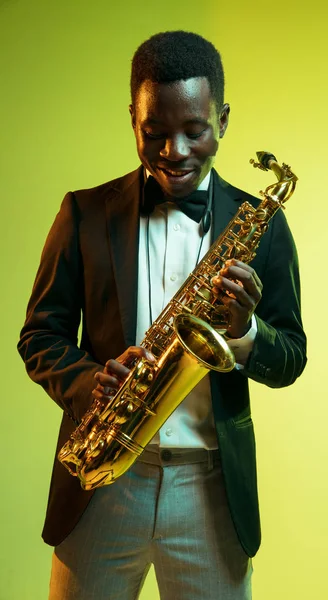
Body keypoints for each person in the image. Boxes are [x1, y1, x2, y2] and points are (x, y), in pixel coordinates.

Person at [18, 31, 307, 600]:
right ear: (133, 119)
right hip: (103, 485)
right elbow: (40, 335)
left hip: (211, 492)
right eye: (154, 133)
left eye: (195, 131)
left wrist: (245, 331)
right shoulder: (83, 213)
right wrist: (89, 383)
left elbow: (291, 356)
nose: (174, 151)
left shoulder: (263, 224)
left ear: (222, 120)